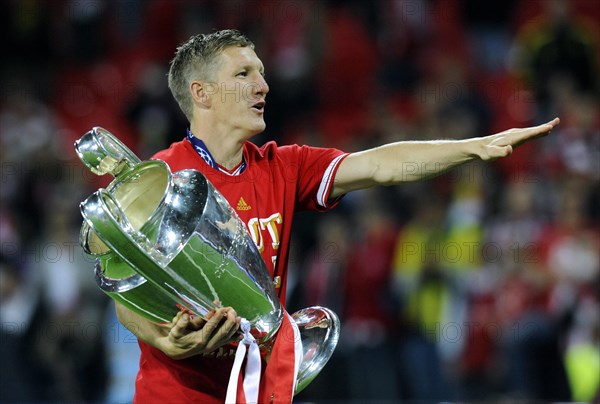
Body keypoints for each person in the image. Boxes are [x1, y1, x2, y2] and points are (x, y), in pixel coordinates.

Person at [115, 29, 559, 403]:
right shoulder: (159, 179)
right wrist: (163, 339)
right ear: (201, 92)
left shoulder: (283, 167)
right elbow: (124, 296)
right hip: (176, 392)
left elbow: (381, 165)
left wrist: (473, 147)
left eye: (263, 73)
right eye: (244, 74)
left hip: (262, 389)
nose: (263, 86)